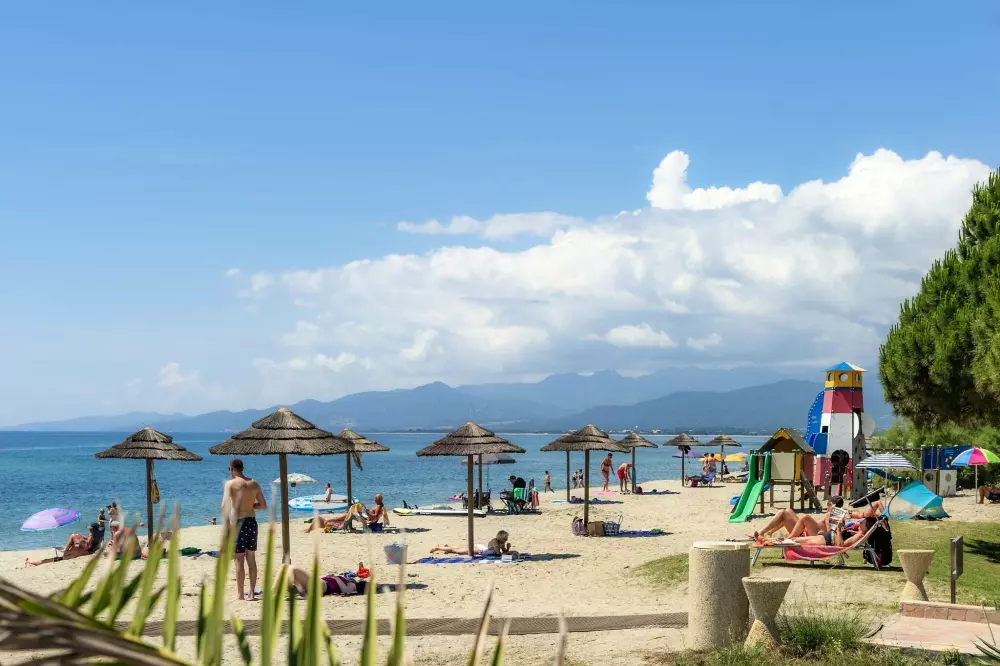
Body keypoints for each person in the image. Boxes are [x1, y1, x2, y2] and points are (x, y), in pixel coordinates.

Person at [223, 458, 267, 601]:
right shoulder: (254, 483)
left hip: (238, 524)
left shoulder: (230, 484)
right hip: (252, 523)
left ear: (232, 469)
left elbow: (224, 507)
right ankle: (252, 593)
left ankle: (240, 594)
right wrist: (249, 505)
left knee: (239, 559)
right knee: (251, 559)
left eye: (229, 469)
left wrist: (227, 526)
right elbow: (263, 505)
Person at [25, 523, 103, 567]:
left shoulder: (91, 535)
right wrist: (83, 537)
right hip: (82, 553)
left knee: (73, 536)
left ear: (93, 529)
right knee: (55, 559)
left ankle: (29, 562)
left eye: (90, 528)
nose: (89, 529)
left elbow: (87, 545)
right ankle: (30, 562)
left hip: (77, 553)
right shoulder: (98, 535)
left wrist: (82, 540)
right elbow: (90, 544)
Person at [279, 564, 368, 597]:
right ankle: (277, 590)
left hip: (323, 586)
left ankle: (280, 590)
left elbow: (344, 590)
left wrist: (336, 578)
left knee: (293, 568)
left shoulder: (353, 586)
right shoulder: (349, 581)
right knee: (285, 567)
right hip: (320, 583)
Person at [431, 530, 516, 557]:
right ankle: (437, 547)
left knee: (459, 549)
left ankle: (448, 547)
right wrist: (509, 552)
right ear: (501, 538)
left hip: (482, 548)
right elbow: (498, 553)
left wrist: (507, 548)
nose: (506, 540)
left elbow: (503, 552)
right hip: (479, 550)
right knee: (457, 550)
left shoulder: (501, 543)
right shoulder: (495, 541)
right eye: (505, 539)